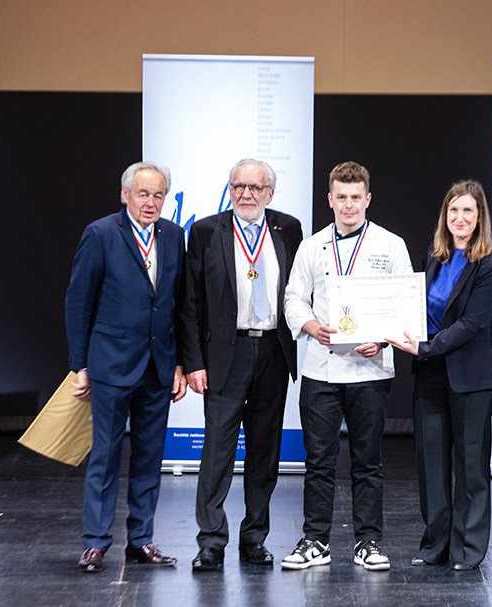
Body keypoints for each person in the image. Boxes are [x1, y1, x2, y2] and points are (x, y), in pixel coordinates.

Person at [282, 161, 413, 571]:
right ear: (330, 199)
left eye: (356, 197)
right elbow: (293, 298)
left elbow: (405, 304)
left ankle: (368, 542)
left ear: (368, 199)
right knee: (318, 460)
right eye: (341, 197)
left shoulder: (391, 245)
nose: (349, 205)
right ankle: (315, 540)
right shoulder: (311, 245)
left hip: (370, 371)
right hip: (321, 368)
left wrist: (382, 337)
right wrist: (310, 326)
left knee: (367, 461)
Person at [64, 161, 188, 572]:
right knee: (105, 455)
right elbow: (78, 303)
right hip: (111, 365)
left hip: (158, 366)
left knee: (150, 457)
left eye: (158, 195)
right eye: (143, 194)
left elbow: (179, 305)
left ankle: (141, 540)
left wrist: (180, 363)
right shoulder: (100, 234)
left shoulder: (174, 236)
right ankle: (96, 542)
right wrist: (78, 364)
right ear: (124, 194)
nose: (150, 202)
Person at [180, 159, 303, 571]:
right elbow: (190, 304)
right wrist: (193, 362)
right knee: (217, 450)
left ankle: (255, 538)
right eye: (238, 186)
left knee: (265, 451)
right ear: (230, 190)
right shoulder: (205, 232)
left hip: (271, 351)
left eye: (255, 187)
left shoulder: (289, 228)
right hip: (223, 355)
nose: (246, 194)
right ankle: (211, 541)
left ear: (270, 193)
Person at [386, 180, 492, 571]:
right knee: (431, 464)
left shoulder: (488, 266)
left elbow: (472, 324)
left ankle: (468, 549)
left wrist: (426, 347)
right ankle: (435, 544)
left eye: (468, 211)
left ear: (480, 217)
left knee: (471, 467)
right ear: (445, 216)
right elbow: (416, 312)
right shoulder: (434, 257)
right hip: (431, 373)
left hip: (472, 378)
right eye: (454, 210)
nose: (460, 218)